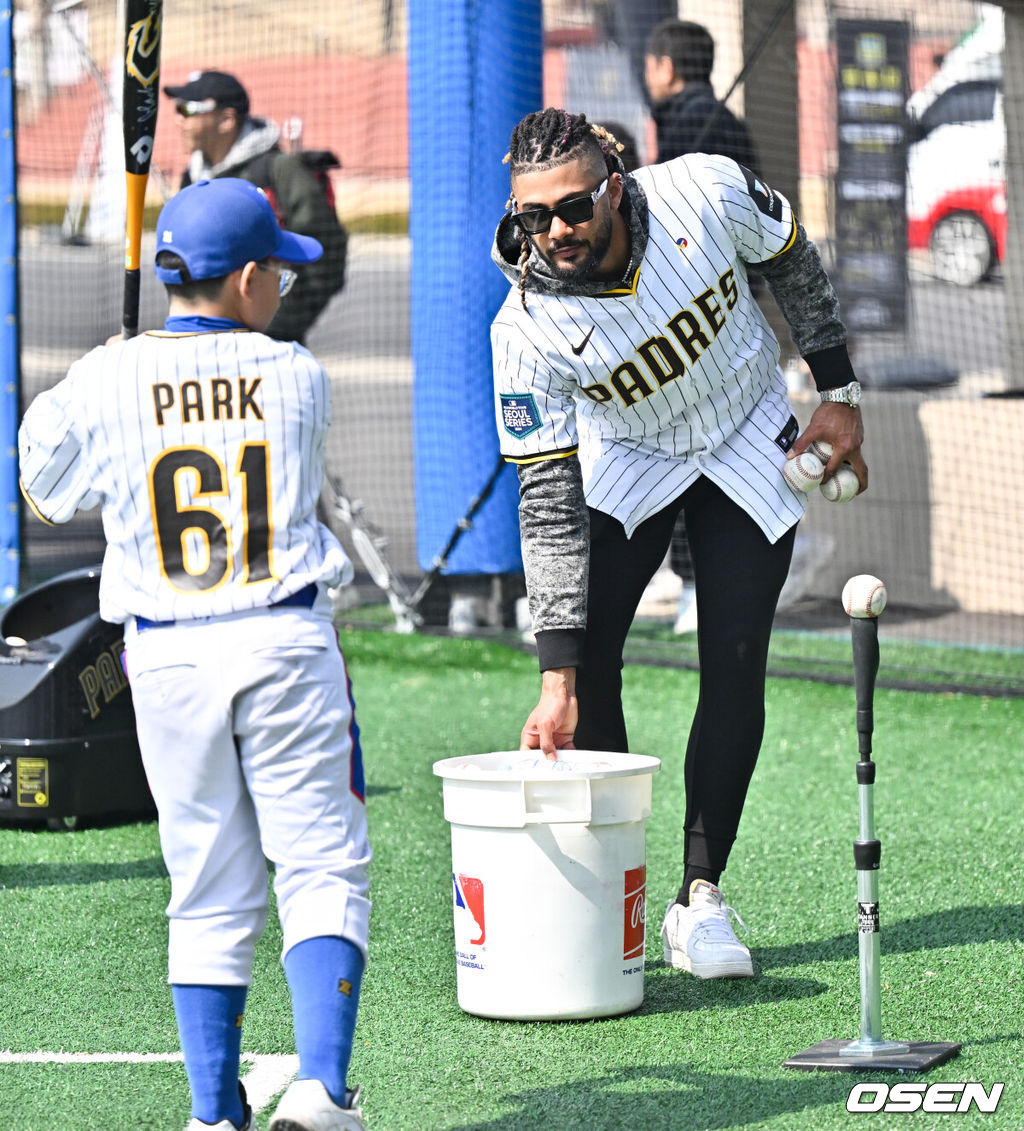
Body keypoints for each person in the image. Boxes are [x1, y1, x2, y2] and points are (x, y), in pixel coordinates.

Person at [18, 179, 371, 1131]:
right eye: (275, 273)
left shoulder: (106, 379)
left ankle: (215, 1114)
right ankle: (324, 1093)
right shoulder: (299, 375)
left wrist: (99, 373)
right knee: (320, 864)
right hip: (283, 639)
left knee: (207, 886)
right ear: (248, 276)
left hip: (165, 656)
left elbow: (45, 486)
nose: (284, 289)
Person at [489, 109, 866, 981]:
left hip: (744, 433)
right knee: (586, 665)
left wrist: (839, 389)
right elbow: (545, 500)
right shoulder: (521, 330)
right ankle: (616, 887)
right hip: (627, 457)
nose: (554, 233)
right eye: (531, 217)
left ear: (613, 185)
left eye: (573, 209)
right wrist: (555, 670)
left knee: (733, 657)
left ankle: (700, 897)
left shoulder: (707, 189)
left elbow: (794, 263)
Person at [644, 19, 762, 633]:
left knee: (688, 450)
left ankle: (695, 586)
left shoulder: (690, 127)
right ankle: (691, 582)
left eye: (650, 63)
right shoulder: (728, 125)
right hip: (730, 314)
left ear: (666, 66)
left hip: (691, 321)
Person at [163, 70, 348, 345]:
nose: (179, 119)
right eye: (177, 108)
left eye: (189, 109)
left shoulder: (281, 170)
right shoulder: (192, 178)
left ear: (227, 119)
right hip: (203, 341)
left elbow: (326, 252)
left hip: (270, 344)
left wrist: (277, 324)